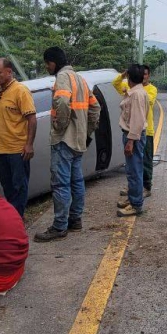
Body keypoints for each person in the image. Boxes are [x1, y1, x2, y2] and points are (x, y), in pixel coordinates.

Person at [34, 47, 100, 242]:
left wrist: (60, 126)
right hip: (78, 141)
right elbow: (95, 108)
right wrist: (87, 132)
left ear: (53, 62)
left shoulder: (62, 77)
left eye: (47, 63)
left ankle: (59, 226)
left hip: (64, 140)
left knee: (61, 183)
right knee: (76, 182)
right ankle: (75, 220)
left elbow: (62, 102)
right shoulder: (80, 79)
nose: (47, 67)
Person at [0, 58, 37, 218]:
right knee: (7, 186)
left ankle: (16, 219)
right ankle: (13, 218)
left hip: (17, 149)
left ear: (9, 72)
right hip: (1, 149)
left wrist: (29, 144)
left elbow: (32, 119)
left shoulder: (20, 91)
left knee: (19, 186)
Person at [113, 64, 157, 198]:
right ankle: (134, 188)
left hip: (145, 130)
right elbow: (116, 84)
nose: (143, 77)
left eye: (145, 74)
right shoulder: (133, 89)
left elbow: (147, 102)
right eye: (141, 74)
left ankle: (145, 187)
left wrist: (132, 91)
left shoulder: (147, 90)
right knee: (133, 165)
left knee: (145, 161)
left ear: (149, 76)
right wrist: (124, 75)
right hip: (133, 130)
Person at [117, 64, 148, 217]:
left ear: (129, 77)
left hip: (133, 136)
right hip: (132, 135)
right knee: (132, 170)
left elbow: (137, 120)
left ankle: (136, 205)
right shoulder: (136, 92)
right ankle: (132, 199)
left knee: (134, 171)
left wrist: (130, 141)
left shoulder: (137, 94)